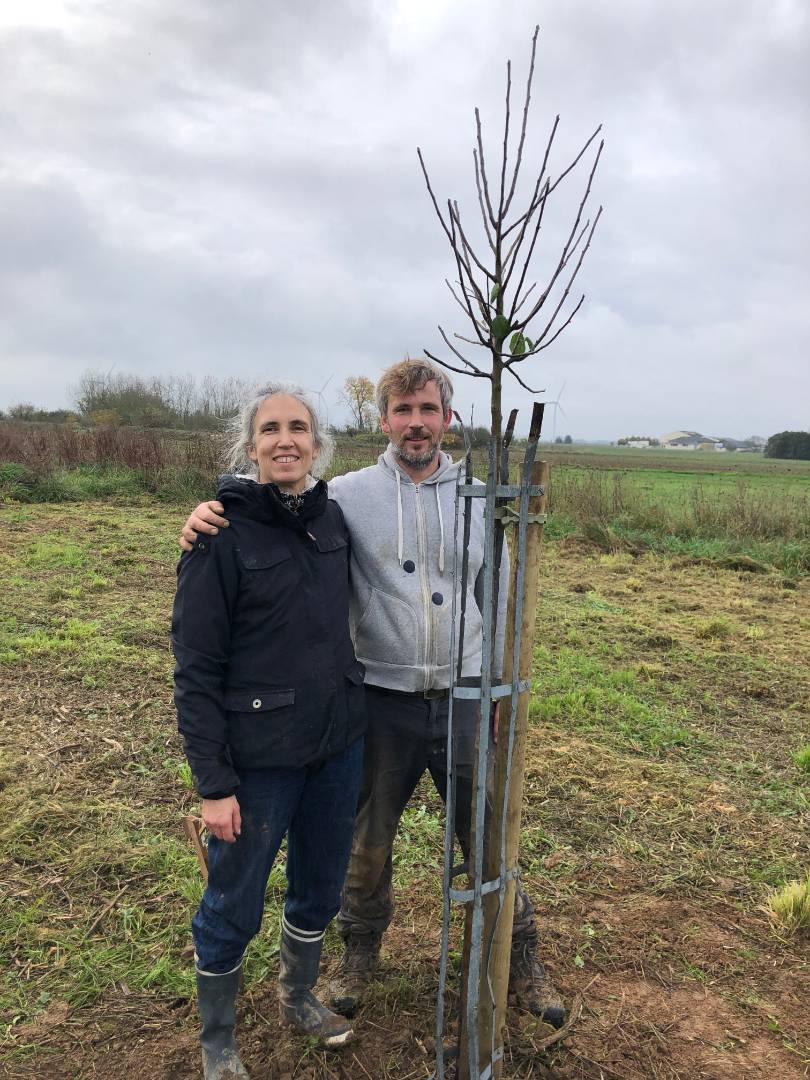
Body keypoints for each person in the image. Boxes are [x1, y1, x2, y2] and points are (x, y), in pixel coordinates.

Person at [180, 359, 566, 1030]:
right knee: (368, 839)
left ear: (447, 417)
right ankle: (358, 953)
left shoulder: (481, 497)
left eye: (427, 409)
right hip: (380, 699)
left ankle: (516, 955)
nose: (415, 423)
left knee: (488, 835)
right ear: (383, 419)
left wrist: (501, 682)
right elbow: (278, 493)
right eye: (402, 410)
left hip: (468, 693)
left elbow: (499, 592)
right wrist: (211, 509)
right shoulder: (348, 496)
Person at [173, 383, 367, 1078]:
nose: (286, 439)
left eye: (299, 428)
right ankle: (218, 1042)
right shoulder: (219, 533)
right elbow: (195, 670)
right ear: (250, 445)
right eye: (271, 429)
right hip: (259, 761)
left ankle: (296, 995)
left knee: (319, 885)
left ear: (318, 444)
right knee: (234, 901)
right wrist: (214, 784)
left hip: (337, 747)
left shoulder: (332, 520)